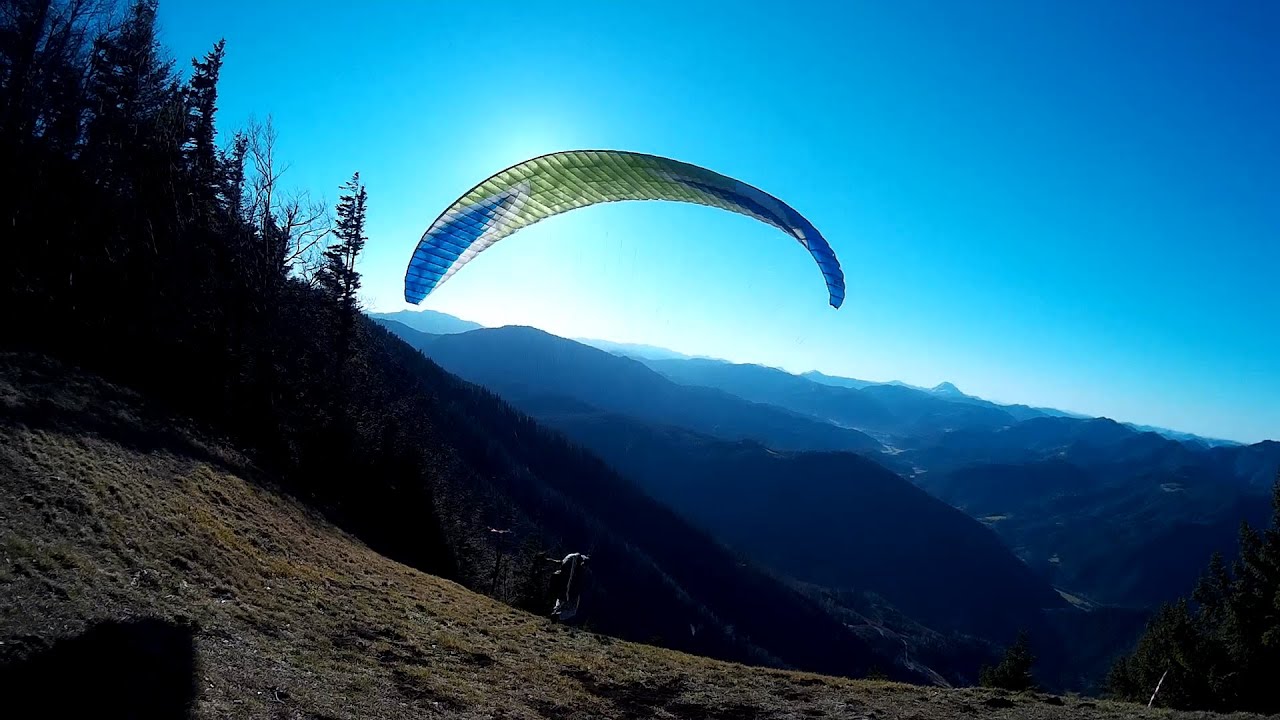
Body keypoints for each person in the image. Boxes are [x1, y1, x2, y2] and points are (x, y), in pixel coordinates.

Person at [546, 552, 589, 621]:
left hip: (572, 586)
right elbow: (569, 579)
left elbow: (562, 563)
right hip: (573, 588)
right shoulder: (575, 562)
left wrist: (549, 560)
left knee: (564, 601)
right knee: (571, 608)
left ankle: (555, 612)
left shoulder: (573, 560)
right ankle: (556, 615)